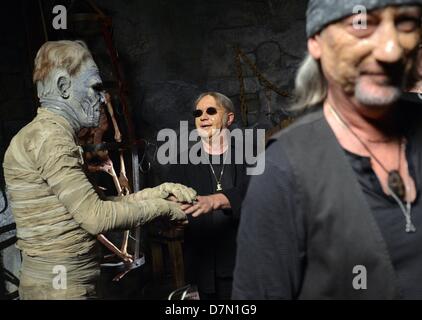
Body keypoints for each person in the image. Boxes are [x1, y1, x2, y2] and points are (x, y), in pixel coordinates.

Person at [233, 0, 422, 299]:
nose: (391, 51)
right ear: (316, 42)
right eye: (361, 25)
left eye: (405, 24)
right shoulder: (283, 170)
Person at [2, 40, 197, 299]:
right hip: (59, 286)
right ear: (63, 86)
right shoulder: (50, 138)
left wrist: (156, 193)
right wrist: (163, 208)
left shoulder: (49, 134)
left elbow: (94, 204)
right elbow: (96, 216)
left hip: (66, 281)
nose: (102, 98)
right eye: (95, 87)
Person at [168, 92, 249, 300]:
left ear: (229, 118)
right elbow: (170, 200)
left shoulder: (251, 155)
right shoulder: (182, 161)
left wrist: (216, 200)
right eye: (198, 112)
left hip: (242, 261)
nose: (203, 116)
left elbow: (257, 193)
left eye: (211, 111)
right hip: (203, 264)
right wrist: (173, 211)